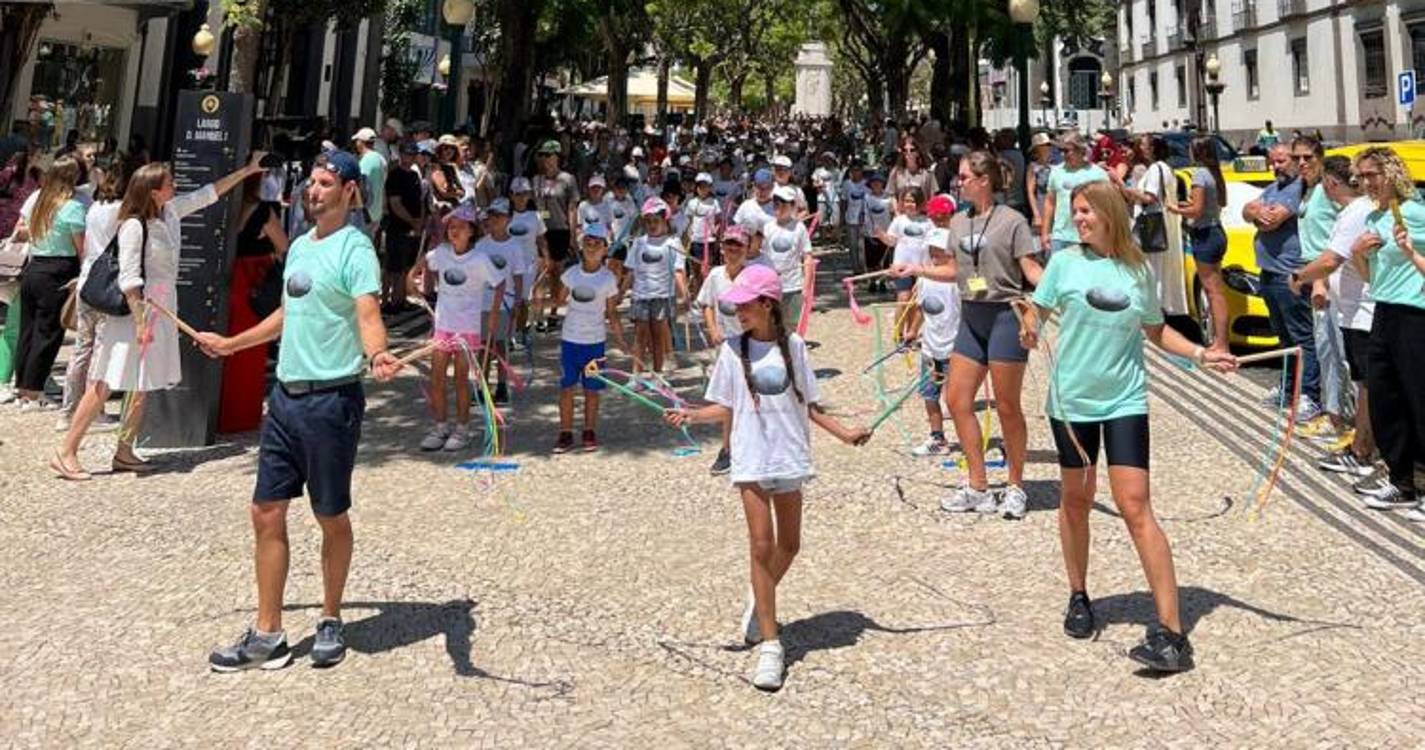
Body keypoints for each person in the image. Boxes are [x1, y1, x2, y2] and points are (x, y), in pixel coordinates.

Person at [195, 151, 400, 671]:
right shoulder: (302, 247)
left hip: (333, 400)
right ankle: (268, 633)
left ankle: (331, 617)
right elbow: (290, 313)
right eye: (310, 181)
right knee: (265, 510)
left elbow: (368, 312)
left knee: (329, 515)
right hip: (285, 399)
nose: (313, 191)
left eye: (325, 182)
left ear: (350, 191)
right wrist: (233, 343)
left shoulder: (357, 250)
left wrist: (377, 352)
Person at [1024, 180, 1237, 673]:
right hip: (1071, 402)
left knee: (1135, 505)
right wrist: (1028, 326)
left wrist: (1204, 355)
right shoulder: (1064, 263)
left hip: (1123, 401)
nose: (1077, 219)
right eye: (1074, 211)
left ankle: (1172, 633)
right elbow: (1038, 310)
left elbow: (1156, 330)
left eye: (1085, 212)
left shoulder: (1136, 267)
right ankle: (1078, 593)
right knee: (1075, 500)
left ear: (1109, 215)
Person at [664, 264, 871, 692]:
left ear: (768, 304)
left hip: (789, 455)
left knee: (790, 545)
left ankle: (759, 602)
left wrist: (846, 434)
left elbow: (810, 405)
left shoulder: (794, 346)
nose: (738, 312)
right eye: (735, 305)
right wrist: (691, 415)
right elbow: (726, 405)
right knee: (761, 545)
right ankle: (771, 644)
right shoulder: (732, 351)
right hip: (753, 457)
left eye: (745, 305)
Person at [52, 155, 265, 479]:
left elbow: (209, 194)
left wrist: (247, 171)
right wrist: (140, 322)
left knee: (142, 383)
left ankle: (125, 450)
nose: (175, 186)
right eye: (169, 183)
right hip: (137, 314)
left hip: (161, 308)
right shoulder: (134, 226)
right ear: (154, 191)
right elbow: (128, 279)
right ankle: (67, 449)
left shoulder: (170, 213)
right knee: (106, 379)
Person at [893, 150, 1042, 520]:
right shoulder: (959, 223)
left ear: (984, 180)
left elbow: (1031, 270)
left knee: (1007, 407)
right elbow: (957, 271)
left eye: (963, 177)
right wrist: (915, 268)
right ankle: (977, 485)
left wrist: (1046, 306)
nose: (959, 182)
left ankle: (1015, 486)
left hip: (1005, 316)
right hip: (971, 318)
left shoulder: (1012, 221)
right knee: (957, 400)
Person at [1338, 147, 1425, 520]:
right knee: (1385, 398)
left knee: (1419, 399)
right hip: (1384, 310)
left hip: (1414, 313)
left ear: (1391, 174)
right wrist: (1358, 254)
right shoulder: (1375, 216)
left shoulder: (1416, 213)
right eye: (1362, 177)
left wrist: (1408, 250)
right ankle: (1401, 479)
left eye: (1373, 175)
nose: (1366, 183)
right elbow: (1374, 275)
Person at [1290, 155, 1377, 480]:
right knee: (1362, 380)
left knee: (1366, 383)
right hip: (1353, 310)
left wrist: (1300, 277)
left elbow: (1329, 260)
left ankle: (1363, 449)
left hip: (1362, 312)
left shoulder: (1355, 213)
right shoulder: (1355, 211)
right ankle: (1363, 444)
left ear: (1330, 182)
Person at [416, 204, 504, 453]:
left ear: (471, 231)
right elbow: (422, 266)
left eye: (461, 227)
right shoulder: (441, 253)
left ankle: (462, 429)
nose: (454, 231)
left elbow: (499, 283)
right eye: (451, 227)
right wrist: (417, 284)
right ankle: (440, 426)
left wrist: (494, 315)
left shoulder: (479, 259)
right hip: (443, 325)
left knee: (461, 381)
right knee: (436, 379)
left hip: (467, 328)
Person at [1245, 144, 1319, 419]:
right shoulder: (1274, 188)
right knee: (1284, 337)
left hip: (1289, 274)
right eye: (1272, 162)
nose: (1276, 166)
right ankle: (1289, 389)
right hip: (1268, 271)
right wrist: (1253, 212)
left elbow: (1272, 221)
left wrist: (1259, 215)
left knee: (1301, 337)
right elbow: (1246, 210)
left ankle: (1309, 395)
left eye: (1282, 160)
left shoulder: (1296, 187)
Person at [1286, 136, 1349, 444]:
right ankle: (1333, 414)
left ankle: (1340, 421)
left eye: (1308, 157)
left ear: (1320, 158)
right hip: (1317, 277)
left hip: (1331, 279)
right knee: (1325, 349)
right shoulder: (1308, 190)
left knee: (1334, 350)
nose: (1302, 163)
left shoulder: (1326, 191)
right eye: (1296, 158)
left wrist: (1319, 280)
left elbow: (1335, 240)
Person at [56, 163, 126, 433]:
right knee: (100, 350)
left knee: (81, 350)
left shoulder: (95, 208)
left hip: (87, 281)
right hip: (108, 285)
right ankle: (92, 409)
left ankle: (67, 410)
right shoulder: (123, 212)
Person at [11, 157, 84, 411]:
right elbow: (80, 247)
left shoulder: (37, 199)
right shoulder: (72, 207)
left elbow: (20, 228)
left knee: (28, 331)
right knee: (49, 332)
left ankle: (22, 387)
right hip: (59, 270)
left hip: (34, 266)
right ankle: (34, 391)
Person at [220, 167, 290, 433]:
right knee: (251, 347)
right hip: (254, 280)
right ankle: (243, 414)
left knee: (228, 348)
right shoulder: (261, 211)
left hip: (230, 279)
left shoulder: (226, 208)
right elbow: (284, 245)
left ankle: (224, 412)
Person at [554, 223, 627, 453]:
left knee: (592, 390)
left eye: (597, 243)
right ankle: (565, 432)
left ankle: (589, 430)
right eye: (588, 242)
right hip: (570, 340)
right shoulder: (571, 274)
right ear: (581, 246)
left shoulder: (608, 279)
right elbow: (558, 300)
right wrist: (538, 301)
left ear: (605, 249)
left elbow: (612, 313)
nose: (592, 247)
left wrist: (622, 342)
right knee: (567, 388)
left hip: (595, 342)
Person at [696, 225, 753, 476]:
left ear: (747, 249)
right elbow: (707, 304)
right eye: (729, 244)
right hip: (726, 346)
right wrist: (713, 330)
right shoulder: (716, 276)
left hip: (751, 344)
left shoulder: (753, 276)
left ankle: (753, 445)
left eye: (738, 245)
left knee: (754, 394)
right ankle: (727, 449)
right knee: (728, 398)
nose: (733, 250)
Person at [905, 227, 961, 457]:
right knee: (929, 394)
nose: (936, 255)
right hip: (930, 347)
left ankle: (968, 440)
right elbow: (920, 308)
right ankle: (937, 437)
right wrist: (912, 331)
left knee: (956, 400)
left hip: (955, 348)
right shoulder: (924, 278)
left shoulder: (958, 280)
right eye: (933, 250)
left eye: (941, 250)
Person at [622, 197, 687, 378]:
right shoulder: (639, 242)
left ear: (665, 220)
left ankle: (658, 375)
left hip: (662, 296)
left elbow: (678, 272)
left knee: (659, 336)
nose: (651, 225)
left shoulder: (673, 243)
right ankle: (636, 375)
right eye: (648, 221)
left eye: (656, 221)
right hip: (640, 296)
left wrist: (685, 296)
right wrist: (620, 293)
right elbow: (631, 271)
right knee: (640, 336)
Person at [474, 198, 527, 405]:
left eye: (500, 216)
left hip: (505, 301)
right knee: (482, 347)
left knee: (501, 344)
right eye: (492, 215)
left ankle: (503, 386)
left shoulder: (514, 247)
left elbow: (519, 275)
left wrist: (518, 302)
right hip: (483, 302)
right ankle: (481, 387)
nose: (495, 220)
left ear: (509, 219)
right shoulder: (480, 245)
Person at [877, 186, 933, 341]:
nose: (910, 204)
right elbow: (892, 241)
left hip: (920, 268)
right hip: (901, 266)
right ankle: (898, 333)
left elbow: (931, 247)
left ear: (921, 203)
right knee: (903, 298)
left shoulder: (928, 222)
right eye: (907, 200)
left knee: (915, 302)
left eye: (913, 201)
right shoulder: (898, 220)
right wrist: (881, 236)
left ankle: (910, 334)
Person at [1040, 131, 1108, 258]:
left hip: (1088, 237)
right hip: (1060, 236)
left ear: (1080, 150)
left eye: (1067, 151)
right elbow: (1050, 203)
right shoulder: (1056, 172)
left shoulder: (1098, 174)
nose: (1063, 154)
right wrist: (1045, 232)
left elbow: (1107, 207)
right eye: (1061, 150)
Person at [759, 185, 814, 325]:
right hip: (772, 286)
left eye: (784, 204)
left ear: (793, 206)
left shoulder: (799, 228)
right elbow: (761, 256)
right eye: (776, 204)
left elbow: (807, 257)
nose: (779, 207)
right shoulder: (767, 227)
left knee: (792, 326)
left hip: (794, 286)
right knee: (772, 325)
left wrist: (806, 287)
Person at [382, 142, 424, 311]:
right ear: (401, 155)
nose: (410, 157)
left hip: (412, 227)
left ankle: (400, 299)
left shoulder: (414, 175)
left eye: (413, 154)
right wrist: (411, 220)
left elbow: (419, 200)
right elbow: (395, 203)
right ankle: (386, 300)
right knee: (392, 267)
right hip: (396, 225)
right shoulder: (395, 175)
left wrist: (419, 221)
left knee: (406, 265)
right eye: (407, 154)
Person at [861, 172, 894, 292]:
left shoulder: (889, 198)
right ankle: (872, 281)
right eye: (874, 183)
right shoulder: (866, 198)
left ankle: (883, 282)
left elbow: (892, 213)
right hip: (870, 233)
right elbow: (863, 214)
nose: (876, 185)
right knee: (871, 261)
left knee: (885, 260)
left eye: (879, 183)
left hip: (886, 233)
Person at [887, 135, 939, 210]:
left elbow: (932, 197)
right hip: (902, 217)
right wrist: (897, 213)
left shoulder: (927, 173)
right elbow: (892, 195)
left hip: (922, 217)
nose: (908, 153)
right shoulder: (896, 172)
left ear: (917, 152)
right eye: (905, 150)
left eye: (912, 150)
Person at [351, 128, 386, 237]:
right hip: (376, 213)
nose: (356, 144)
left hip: (366, 214)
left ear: (361, 142)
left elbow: (362, 187)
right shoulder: (380, 159)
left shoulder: (366, 160)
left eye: (357, 141)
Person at [840, 160, 868, 275]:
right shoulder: (847, 184)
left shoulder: (867, 184)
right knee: (853, 245)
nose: (856, 172)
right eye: (853, 170)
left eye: (858, 170)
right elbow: (843, 201)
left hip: (864, 220)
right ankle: (855, 269)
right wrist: (841, 218)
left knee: (862, 246)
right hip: (851, 218)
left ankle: (863, 268)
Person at [1025, 133, 1054, 234]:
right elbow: (1030, 192)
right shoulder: (1033, 167)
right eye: (1045, 145)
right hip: (1041, 206)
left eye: (1048, 145)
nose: (1048, 148)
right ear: (1037, 148)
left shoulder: (1055, 164)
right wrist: (1036, 214)